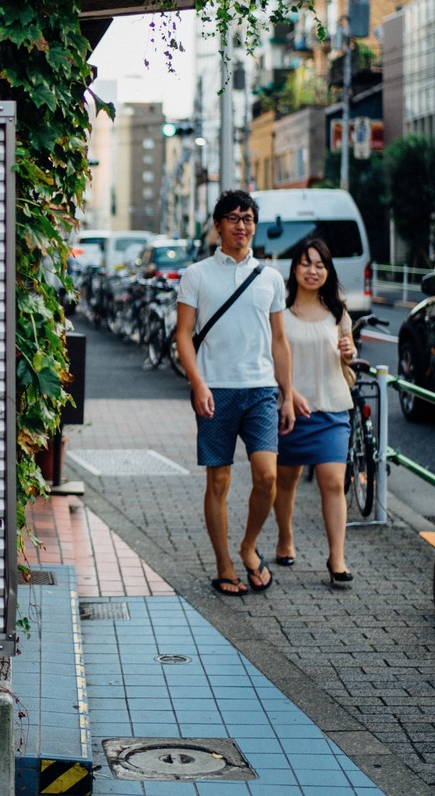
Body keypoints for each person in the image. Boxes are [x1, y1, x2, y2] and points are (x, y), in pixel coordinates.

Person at [175, 190, 296, 597]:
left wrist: (288, 392)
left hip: (260, 390)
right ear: (218, 225)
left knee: (266, 477)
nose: (240, 225)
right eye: (232, 218)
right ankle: (224, 564)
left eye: (247, 219)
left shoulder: (271, 278)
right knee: (219, 481)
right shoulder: (197, 275)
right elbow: (183, 335)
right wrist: (197, 383)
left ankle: (248, 546)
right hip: (216, 390)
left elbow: (280, 340)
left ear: (254, 226)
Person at [271, 237, 357, 587]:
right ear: (294, 268)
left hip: (332, 407)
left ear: (327, 271)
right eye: (306, 263)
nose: (313, 270)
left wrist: (348, 352)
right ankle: (284, 538)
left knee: (333, 483)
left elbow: (345, 359)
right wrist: (287, 393)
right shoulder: (281, 312)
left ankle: (337, 558)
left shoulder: (338, 312)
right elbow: (271, 359)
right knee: (286, 482)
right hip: (289, 411)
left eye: (320, 265)